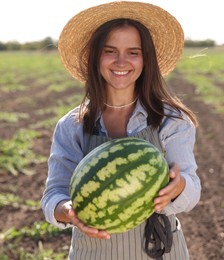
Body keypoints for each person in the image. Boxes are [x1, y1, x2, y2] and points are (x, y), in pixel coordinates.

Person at [41, 1, 201, 259]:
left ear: (146, 58)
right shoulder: (72, 125)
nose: (121, 61)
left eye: (133, 52)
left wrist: (179, 186)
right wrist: (68, 210)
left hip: (158, 252)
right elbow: (54, 194)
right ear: (96, 56)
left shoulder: (172, 119)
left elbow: (192, 188)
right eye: (110, 51)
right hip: (91, 253)